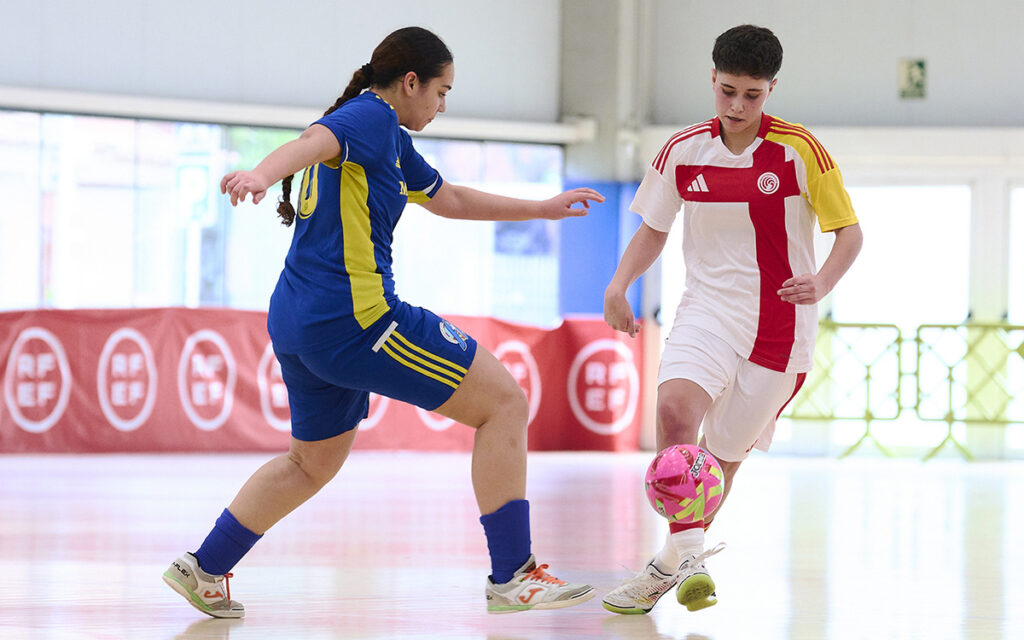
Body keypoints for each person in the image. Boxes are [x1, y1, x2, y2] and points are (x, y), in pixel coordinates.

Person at [161, 26, 603, 617]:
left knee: (309, 463)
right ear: (410, 82)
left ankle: (205, 566)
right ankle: (513, 574)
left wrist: (540, 209)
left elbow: (450, 200)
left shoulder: (388, 138)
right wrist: (262, 176)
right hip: (359, 322)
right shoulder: (369, 117)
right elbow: (311, 141)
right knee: (504, 403)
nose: (443, 105)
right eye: (441, 91)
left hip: (298, 320)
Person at [601, 24, 863, 615]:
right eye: (727, 92)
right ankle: (689, 563)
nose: (738, 106)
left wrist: (821, 281)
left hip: (782, 327)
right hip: (706, 310)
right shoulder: (682, 150)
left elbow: (850, 234)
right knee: (673, 415)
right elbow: (654, 227)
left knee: (718, 466)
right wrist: (619, 284)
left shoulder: (800, 151)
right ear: (712, 80)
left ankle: (667, 566)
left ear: (771, 88)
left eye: (752, 94)